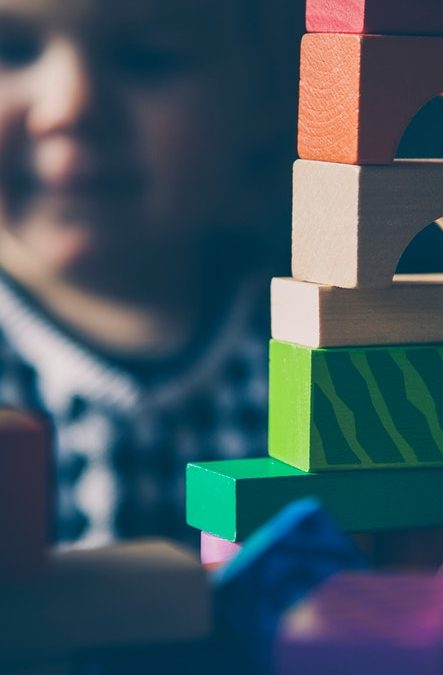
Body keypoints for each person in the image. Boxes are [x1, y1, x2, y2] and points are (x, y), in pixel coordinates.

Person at [0, 0, 298, 548]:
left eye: (146, 59)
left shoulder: (313, 348)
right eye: (10, 50)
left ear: (270, 96)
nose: (70, 108)